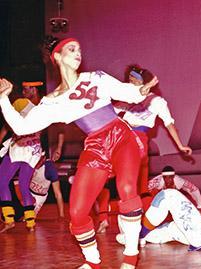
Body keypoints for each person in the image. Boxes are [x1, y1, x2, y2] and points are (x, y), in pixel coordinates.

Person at [0, 36, 158, 269]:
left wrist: (141, 90)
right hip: (95, 147)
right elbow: (22, 127)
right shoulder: (52, 102)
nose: (78, 53)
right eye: (71, 49)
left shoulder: (95, 78)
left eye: (79, 49)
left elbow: (128, 93)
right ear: (57, 56)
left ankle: (131, 257)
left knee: (126, 188)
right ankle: (92, 261)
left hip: (121, 138)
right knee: (77, 212)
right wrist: (3, 98)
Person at [114, 65, 192, 195]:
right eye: (129, 79)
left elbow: (169, 124)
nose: (131, 81)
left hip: (139, 135)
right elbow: (109, 113)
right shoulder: (127, 99)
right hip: (122, 133)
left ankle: (139, 193)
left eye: (134, 79)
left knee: (138, 165)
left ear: (143, 82)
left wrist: (180, 145)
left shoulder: (157, 101)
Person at [0, 98, 42, 232]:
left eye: (27, 89)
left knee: (2, 182)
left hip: (20, 146)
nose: (25, 92)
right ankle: (30, 223)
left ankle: (9, 220)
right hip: (34, 149)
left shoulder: (21, 102)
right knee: (24, 185)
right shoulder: (41, 108)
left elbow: (8, 122)